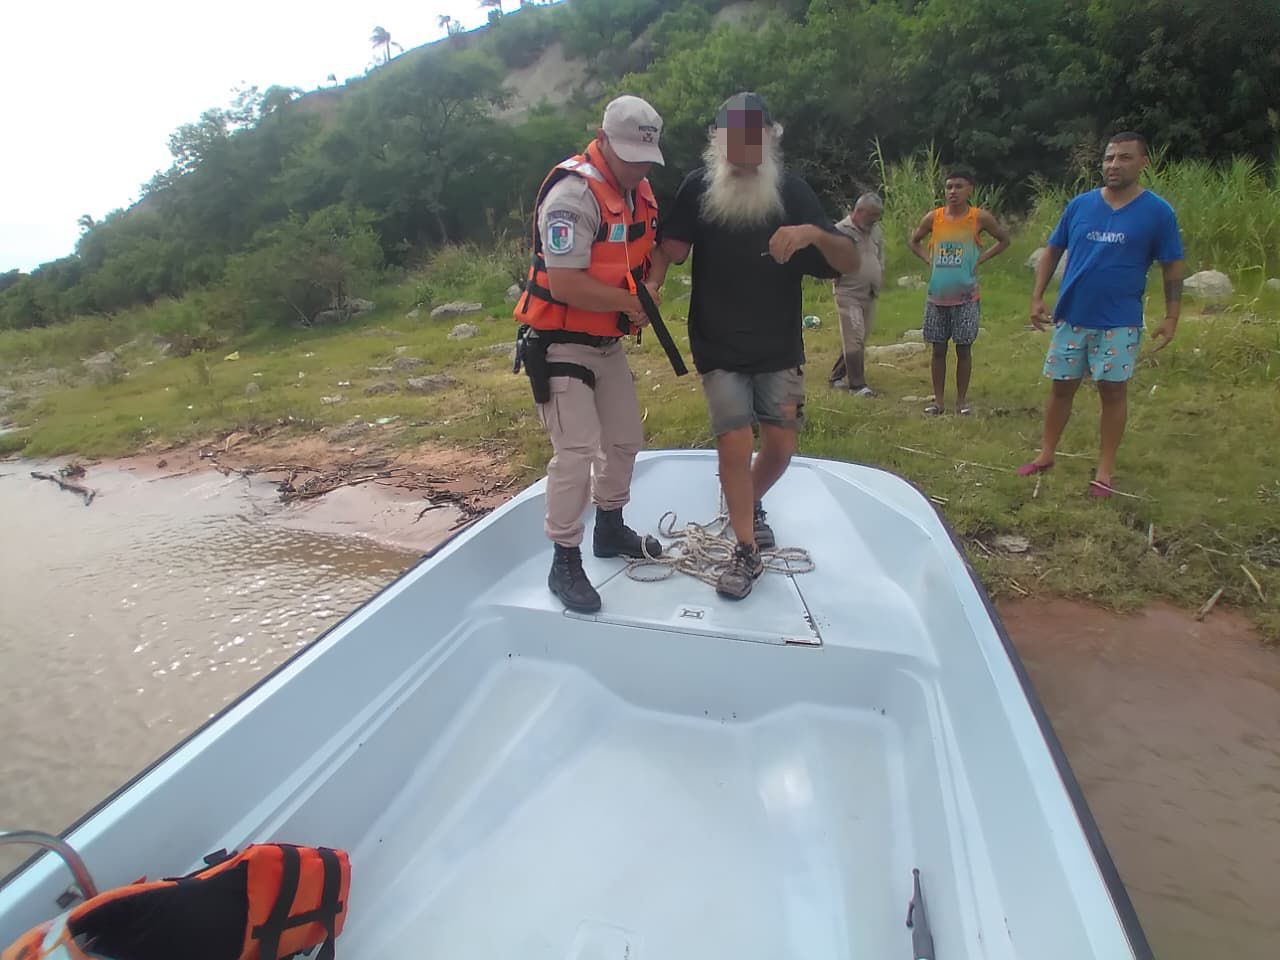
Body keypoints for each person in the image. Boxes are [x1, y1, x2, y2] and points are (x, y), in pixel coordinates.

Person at [648, 91, 859, 600]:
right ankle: (745, 550)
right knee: (735, 441)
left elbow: (848, 261)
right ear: (716, 139)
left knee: (782, 445)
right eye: (732, 134)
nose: (743, 143)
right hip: (717, 340)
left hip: (778, 343)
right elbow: (670, 247)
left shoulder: (791, 191)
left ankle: (742, 501)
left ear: (770, 135)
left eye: (754, 133)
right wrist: (652, 281)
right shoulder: (698, 187)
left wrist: (811, 234)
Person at [513, 94, 667, 613]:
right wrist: (630, 303)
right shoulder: (572, 196)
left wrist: (650, 290)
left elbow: (651, 252)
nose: (639, 169)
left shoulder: (638, 190)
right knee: (577, 451)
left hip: (607, 343)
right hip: (560, 343)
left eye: (646, 160)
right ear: (603, 141)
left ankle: (610, 527)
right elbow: (564, 282)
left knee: (624, 440)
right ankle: (564, 559)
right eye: (630, 158)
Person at [1020, 132, 1184, 497]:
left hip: (1119, 321)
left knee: (1112, 391)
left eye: (1124, 158)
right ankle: (1046, 454)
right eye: (1109, 158)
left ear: (1143, 163)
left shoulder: (1158, 212)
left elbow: (1172, 265)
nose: (1114, 165)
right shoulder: (1081, 205)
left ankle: (1105, 471)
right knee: (1061, 386)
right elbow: (1052, 250)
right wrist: (1037, 296)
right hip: (1072, 316)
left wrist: (1172, 316)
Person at [907, 166, 1010, 415]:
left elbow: (1004, 240)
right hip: (937, 296)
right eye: (949, 187)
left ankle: (961, 402)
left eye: (959, 186)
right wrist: (928, 259)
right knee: (938, 349)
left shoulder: (979, 218)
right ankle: (939, 402)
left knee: (963, 348)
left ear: (969, 189)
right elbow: (914, 240)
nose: (953, 191)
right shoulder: (934, 218)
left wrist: (980, 259)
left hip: (966, 296)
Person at [828, 192, 885, 395]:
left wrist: (879, 273)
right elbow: (827, 257)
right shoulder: (840, 230)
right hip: (848, 292)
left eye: (877, 216)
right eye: (871, 216)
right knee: (855, 336)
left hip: (870, 292)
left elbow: (880, 255)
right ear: (859, 211)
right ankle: (858, 385)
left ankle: (836, 376)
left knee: (860, 337)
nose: (875, 220)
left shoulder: (875, 230)